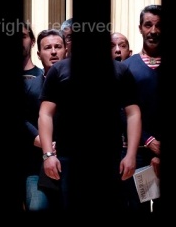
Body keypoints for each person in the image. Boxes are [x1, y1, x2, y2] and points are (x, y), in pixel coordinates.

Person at [38, 26, 141, 213]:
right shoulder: (59, 70)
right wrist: (48, 155)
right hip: (68, 157)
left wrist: (131, 154)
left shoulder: (120, 70)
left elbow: (133, 113)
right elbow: (45, 113)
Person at [121, 5, 163, 214]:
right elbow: (120, 111)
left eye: (159, 25)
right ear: (140, 28)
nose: (153, 31)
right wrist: (149, 140)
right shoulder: (126, 67)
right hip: (135, 153)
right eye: (148, 25)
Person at [21, 29, 66, 211]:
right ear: (39, 54)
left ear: (66, 50)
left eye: (58, 47)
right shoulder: (28, 85)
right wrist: (37, 139)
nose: (53, 52)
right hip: (35, 166)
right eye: (48, 48)